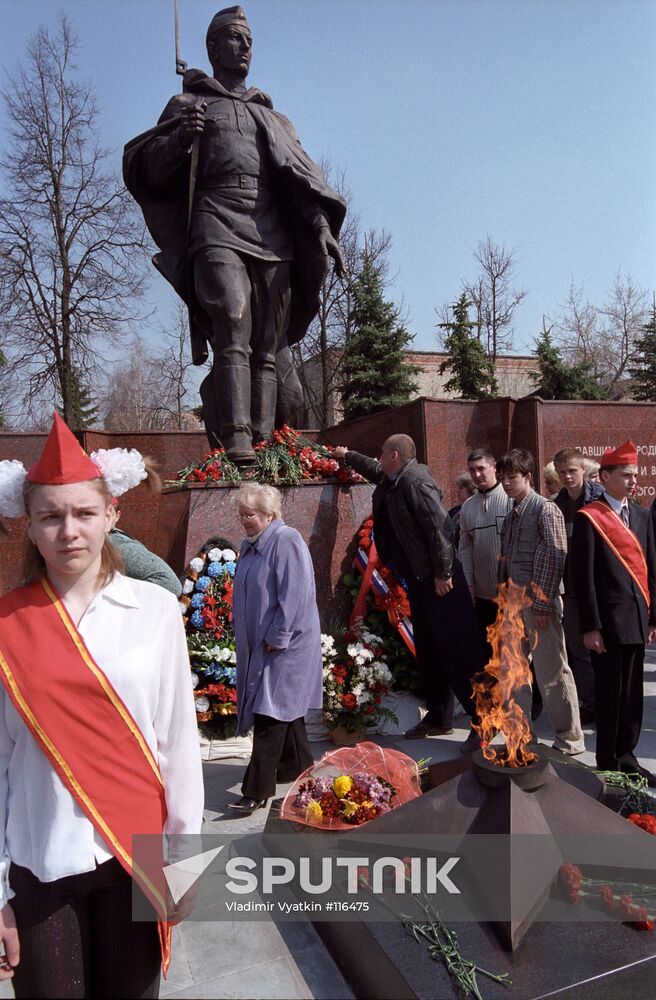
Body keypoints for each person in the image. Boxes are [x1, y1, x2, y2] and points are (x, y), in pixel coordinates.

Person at [0, 414, 204, 998]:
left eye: (85, 513)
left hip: (135, 861)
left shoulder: (155, 611)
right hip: (39, 862)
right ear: (29, 525)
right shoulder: (7, 624)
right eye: (51, 516)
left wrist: (186, 860)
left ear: (112, 514)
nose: (69, 531)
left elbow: (178, 744)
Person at [123, 6, 346, 463]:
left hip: (271, 231)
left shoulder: (274, 118)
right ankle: (238, 437)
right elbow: (150, 172)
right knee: (232, 314)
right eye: (234, 37)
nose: (244, 46)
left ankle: (264, 440)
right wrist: (180, 140)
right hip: (216, 218)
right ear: (212, 47)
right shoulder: (188, 105)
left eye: (249, 39)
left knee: (267, 340)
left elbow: (300, 180)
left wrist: (322, 227)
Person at [334, 436, 485, 748]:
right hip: (418, 580)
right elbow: (373, 469)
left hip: (440, 581)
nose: (378, 458)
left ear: (394, 455)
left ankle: (484, 721)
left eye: (382, 453)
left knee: (458, 653)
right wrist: (347, 454)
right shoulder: (393, 478)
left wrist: (443, 572)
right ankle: (439, 717)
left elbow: (440, 528)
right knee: (429, 652)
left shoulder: (416, 481)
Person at [229, 483, 322, 815]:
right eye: (241, 515)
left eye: (250, 515)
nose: (245, 521)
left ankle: (256, 790)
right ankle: (299, 769)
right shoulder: (251, 546)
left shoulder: (286, 540)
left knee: (270, 712)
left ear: (269, 515)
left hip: (286, 646)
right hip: (264, 645)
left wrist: (279, 635)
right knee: (286, 711)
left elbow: (296, 593)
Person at [571, 441, 656, 783]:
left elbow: (651, 568)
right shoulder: (590, 517)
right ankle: (607, 760)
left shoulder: (642, 516)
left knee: (632, 695)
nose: (633, 481)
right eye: (626, 475)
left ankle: (628, 756)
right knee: (610, 694)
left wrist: (653, 618)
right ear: (605, 477)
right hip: (607, 623)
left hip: (637, 618)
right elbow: (584, 576)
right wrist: (590, 626)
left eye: (635, 475)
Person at [497, 448, 584, 755]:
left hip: (539, 604)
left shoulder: (546, 510)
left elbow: (554, 557)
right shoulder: (512, 513)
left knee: (552, 671)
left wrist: (543, 604)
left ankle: (569, 739)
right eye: (503, 478)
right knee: (512, 670)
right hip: (513, 603)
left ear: (528, 477)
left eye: (512, 477)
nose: (506, 483)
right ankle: (521, 737)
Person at [553, 447, 603, 725]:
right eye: (562, 472)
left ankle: (609, 700)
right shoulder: (557, 505)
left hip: (600, 587)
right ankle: (590, 702)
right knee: (577, 648)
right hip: (571, 588)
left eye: (572, 471)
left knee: (603, 647)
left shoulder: (600, 500)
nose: (568, 477)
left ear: (583, 469)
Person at [458, 448, 512, 656]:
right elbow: (465, 550)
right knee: (489, 653)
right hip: (482, 594)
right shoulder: (467, 507)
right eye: (472, 470)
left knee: (514, 652)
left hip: (510, 592)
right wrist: (469, 584)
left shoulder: (510, 499)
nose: (477, 474)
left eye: (481, 468)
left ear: (494, 467)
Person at [108, 501, 183, 597]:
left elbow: (169, 584)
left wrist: (117, 598)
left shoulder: (119, 545)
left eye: (107, 514)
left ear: (117, 516)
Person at [447, 472, 476, 548]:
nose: (457, 491)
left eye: (461, 488)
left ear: (471, 489)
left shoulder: (476, 510)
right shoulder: (454, 512)